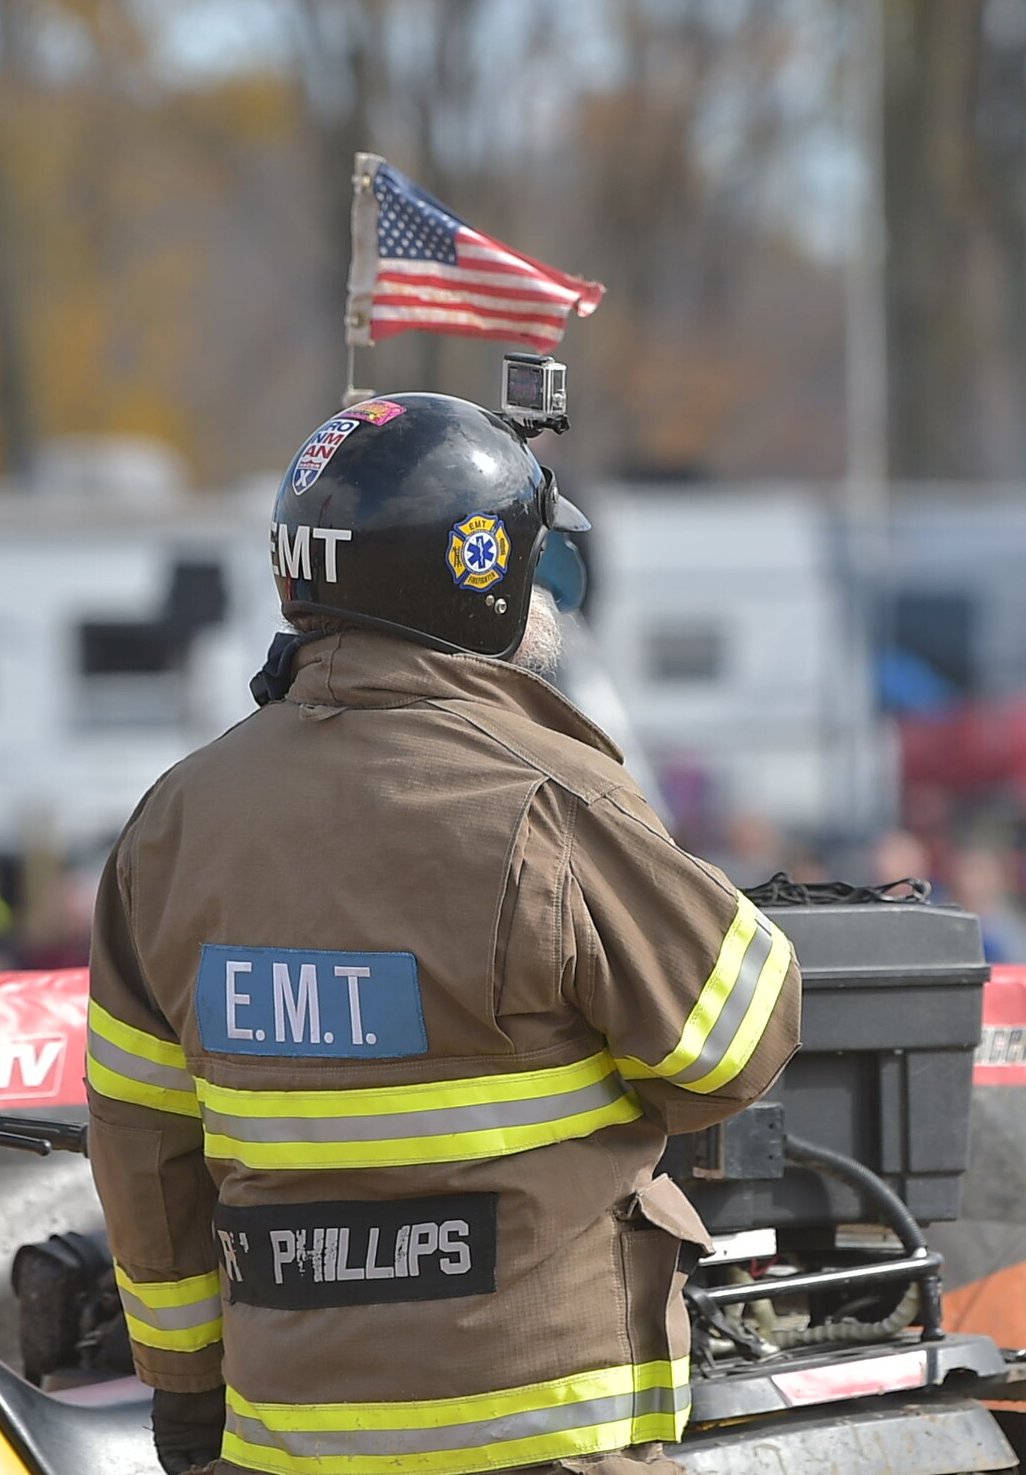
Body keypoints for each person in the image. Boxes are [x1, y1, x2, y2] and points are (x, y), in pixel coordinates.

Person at [86, 393, 802, 1475]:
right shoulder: (551, 801)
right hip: (544, 1432)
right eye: (536, 568)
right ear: (480, 582)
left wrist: (188, 1395)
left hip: (284, 1442)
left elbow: (143, 1144)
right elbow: (733, 1045)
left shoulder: (176, 823)